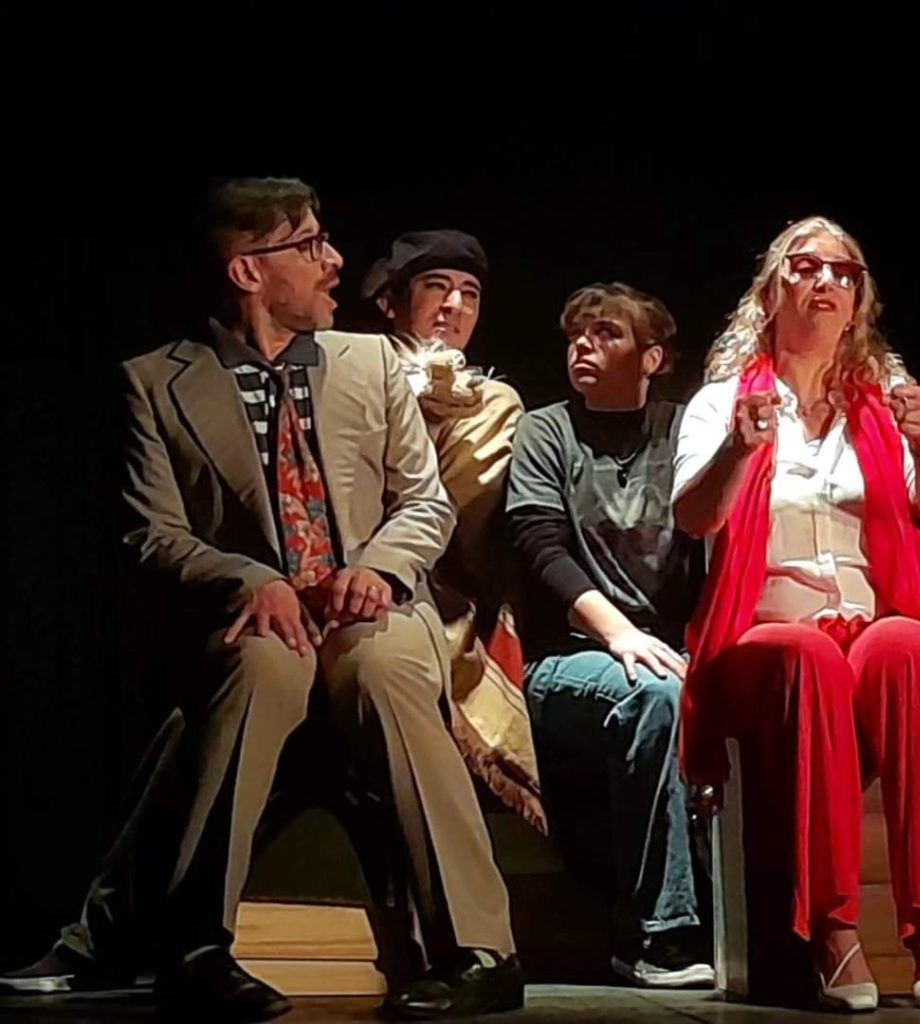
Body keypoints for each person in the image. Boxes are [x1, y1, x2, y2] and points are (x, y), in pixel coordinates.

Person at [1, 179, 522, 1021]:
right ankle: (196, 948)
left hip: (375, 606)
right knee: (261, 671)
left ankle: (479, 952)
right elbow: (152, 534)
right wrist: (250, 580)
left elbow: (424, 502)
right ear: (248, 271)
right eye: (309, 245)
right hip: (256, 615)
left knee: (385, 669)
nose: (335, 260)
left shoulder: (371, 363)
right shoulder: (156, 382)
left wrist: (380, 569)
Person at [673, 216, 920, 1011]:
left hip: (866, 626)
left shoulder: (877, 408)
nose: (826, 282)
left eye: (844, 273)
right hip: (764, 640)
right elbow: (694, 519)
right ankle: (834, 928)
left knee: (916, 648)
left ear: (857, 305)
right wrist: (739, 451)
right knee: (808, 657)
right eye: (806, 266)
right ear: (771, 292)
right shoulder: (723, 404)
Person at [506, 282, 713, 987]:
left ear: (652, 357)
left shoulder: (683, 431)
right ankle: (658, 935)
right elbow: (541, 547)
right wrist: (620, 634)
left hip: (672, 650)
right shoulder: (547, 432)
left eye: (606, 334)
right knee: (653, 694)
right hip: (570, 657)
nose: (583, 347)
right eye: (575, 336)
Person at [364, 230, 542, 828]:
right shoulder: (353, 378)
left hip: (446, 586)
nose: (454, 305)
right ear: (392, 301)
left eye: (470, 293)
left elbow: (464, 517)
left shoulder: (490, 401)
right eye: (436, 287)